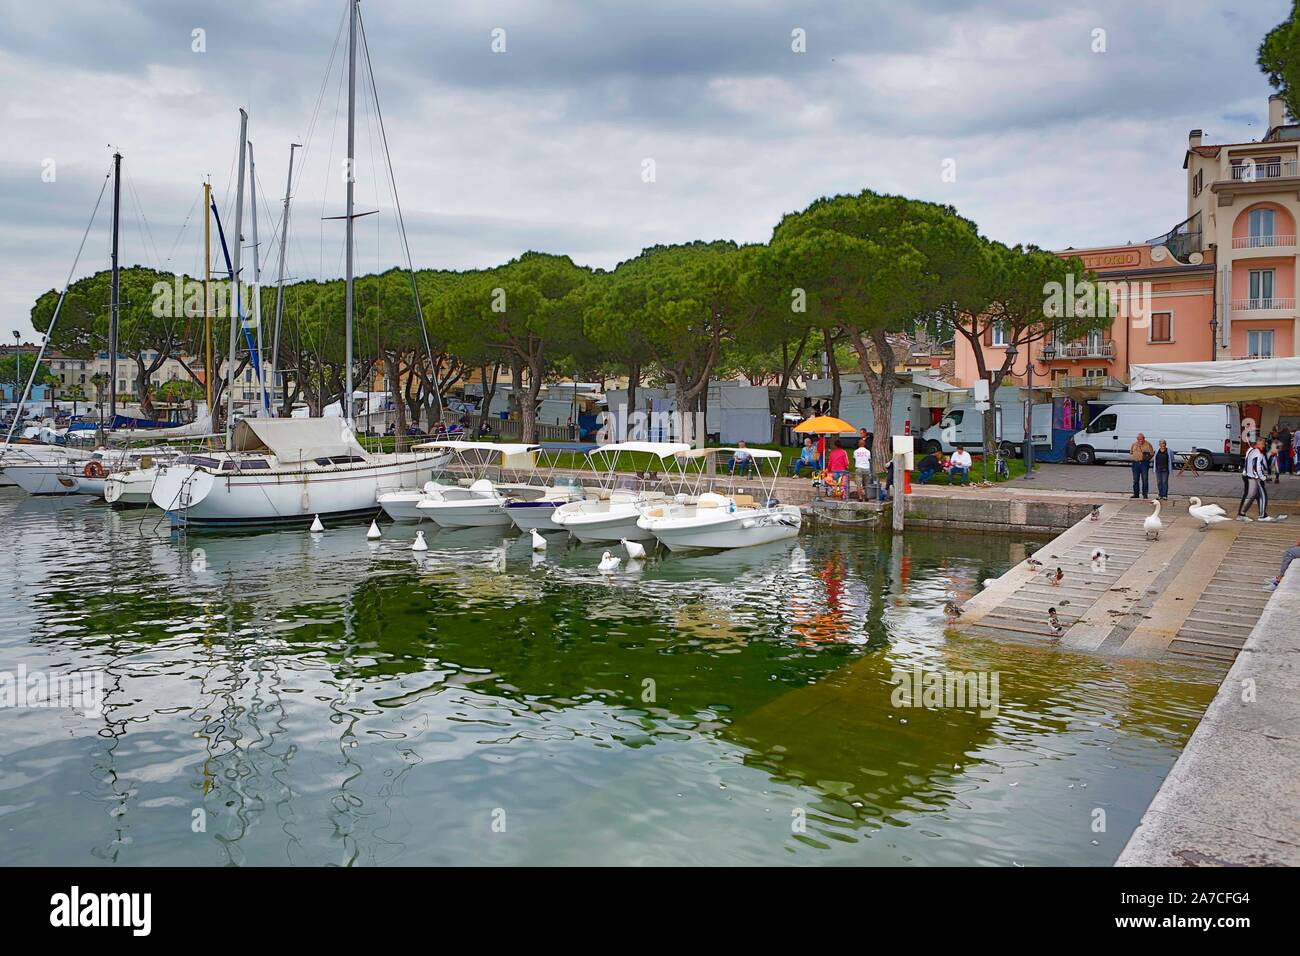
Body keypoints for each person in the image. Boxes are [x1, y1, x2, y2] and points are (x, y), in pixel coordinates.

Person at [1238, 438, 1278, 522]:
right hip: (1254, 478)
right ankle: (1259, 516)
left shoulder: (1250, 450)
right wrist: (1264, 478)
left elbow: (1247, 463)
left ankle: (1259, 514)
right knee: (1260, 495)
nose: (1264, 446)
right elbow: (1257, 468)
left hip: (1248, 476)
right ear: (1258, 443)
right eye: (1263, 444)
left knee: (1253, 495)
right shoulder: (1257, 453)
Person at [1129, 433, 1154, 499]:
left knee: (1145, 479)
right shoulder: (1134, 444)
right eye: (1139, 439)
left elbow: (1152, 454)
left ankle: (1145, 494)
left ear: (1144, 438)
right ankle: (1136, 494)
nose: (1141, 440)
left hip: (1144, 464)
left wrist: (1147, 459)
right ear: (1137, 439)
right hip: (1135, 463)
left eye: (1142, 439)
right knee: (1135, 480)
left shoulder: (1148, 444)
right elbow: (1131, 452)